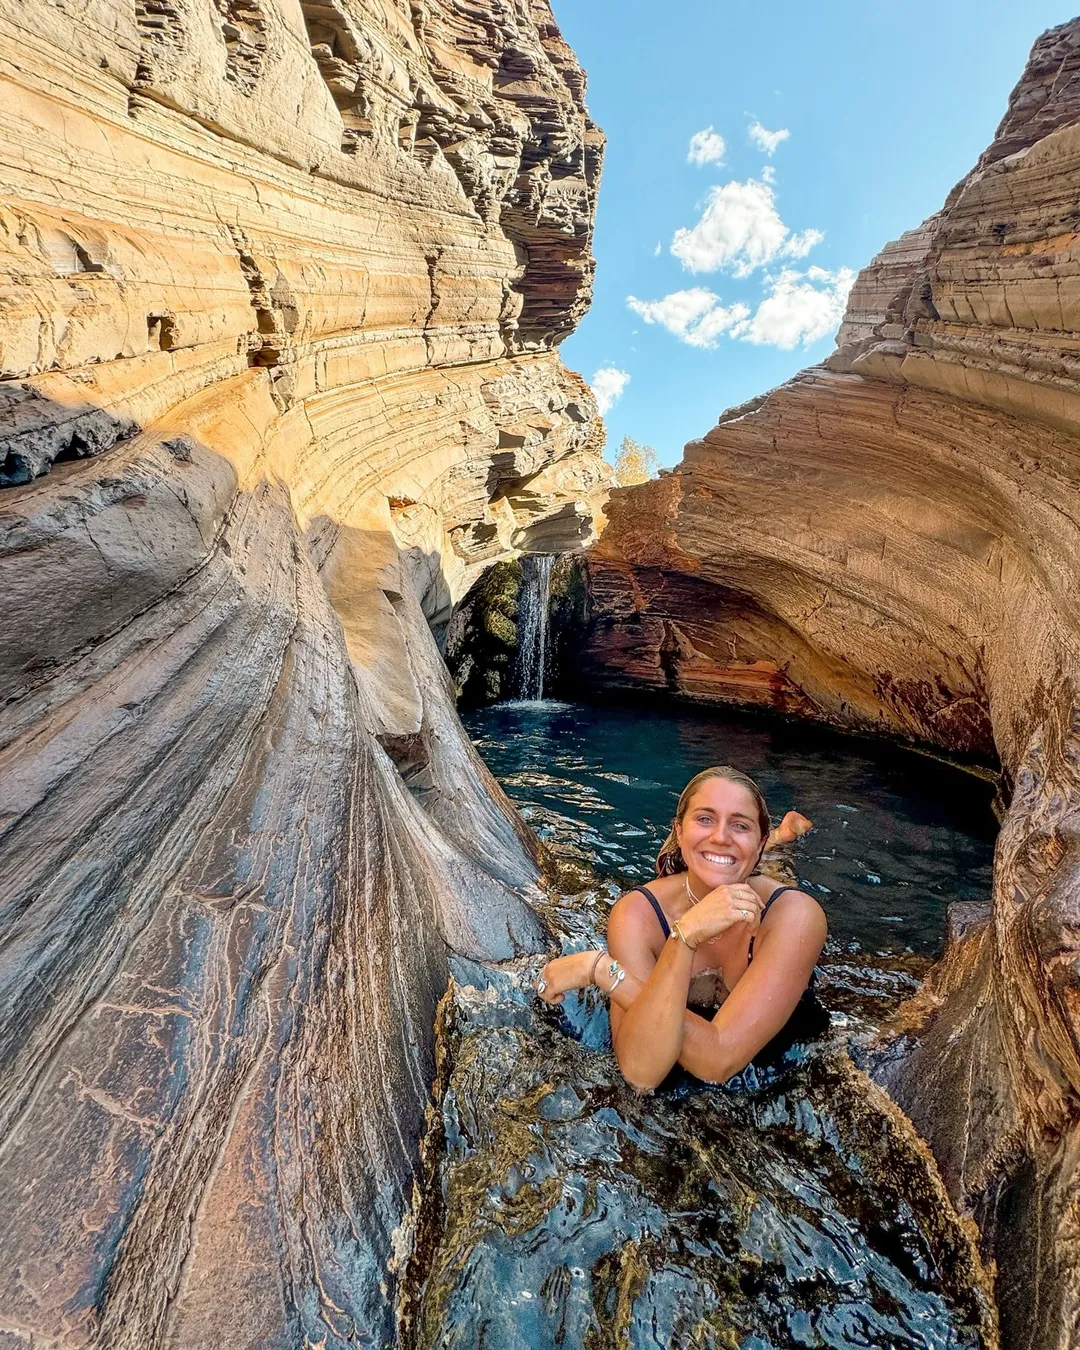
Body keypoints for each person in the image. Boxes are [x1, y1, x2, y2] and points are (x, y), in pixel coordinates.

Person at [536, 767, 827, 1091]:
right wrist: (685, 936)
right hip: (703, 888)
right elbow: (640, 1073)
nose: (720, 835)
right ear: (678, 831)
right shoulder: (640, 914)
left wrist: (602, 971)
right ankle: (772, 839)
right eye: (704, 819)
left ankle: (779, 842)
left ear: (757, 842)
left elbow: (719, 1062)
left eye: (740, 825)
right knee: (729, 857)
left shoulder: (795, 915)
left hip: (777, 1041)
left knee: (773, 872)